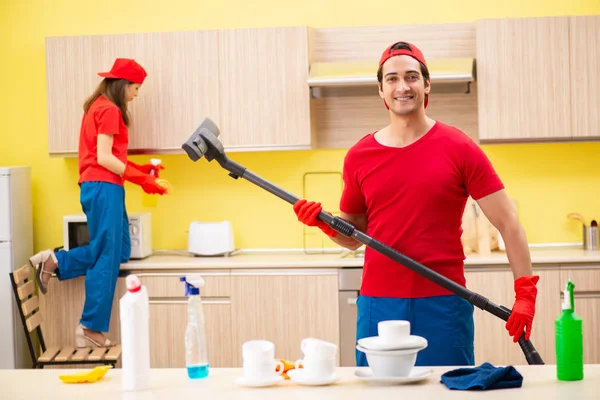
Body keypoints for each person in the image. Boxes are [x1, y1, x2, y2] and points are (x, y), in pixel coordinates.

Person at [293, 41, 539, 367]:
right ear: (381, 91)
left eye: (411, 77)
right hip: (378, 305)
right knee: (381, 393)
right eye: (392, 79)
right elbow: (354, 236)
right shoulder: (359, 157)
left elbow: (508, 222)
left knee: (446, 389)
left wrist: (525, 293)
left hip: (444, 302)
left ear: (426, 85)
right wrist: (326, 224)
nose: (402, 86)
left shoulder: (459, 148)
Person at [29, 58, 167, 348]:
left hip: (107, 186)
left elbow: (111, 155)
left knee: (119, 251)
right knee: (107, 255)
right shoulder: (109, 110)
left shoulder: (103, 108)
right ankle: (90, 327)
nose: (136, 95)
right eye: (136, 88)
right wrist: (142, 181)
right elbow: (104, 158)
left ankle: (56, 261)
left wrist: (144, 173)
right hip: (103, 186)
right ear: (123, 85)